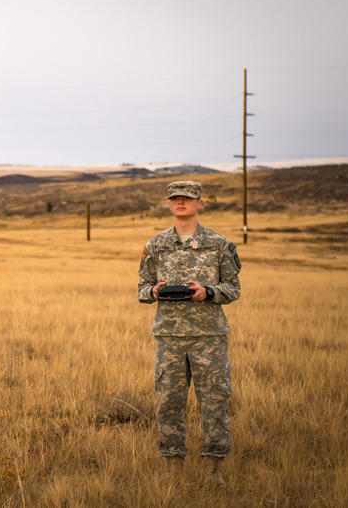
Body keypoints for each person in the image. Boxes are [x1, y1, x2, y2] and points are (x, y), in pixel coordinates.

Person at [137, 180, 241, 488]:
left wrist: (208, 292)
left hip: (209, 337)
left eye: (188, 198)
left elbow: (233, 288)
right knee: (168, 401)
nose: (181, 202)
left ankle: (214, 471)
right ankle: (173, 469)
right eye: (175, 198)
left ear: (200, 204)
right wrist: (153, 291)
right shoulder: (155, 246)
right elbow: (141, 289)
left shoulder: (219, 244)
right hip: (169, 337)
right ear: (169, 205)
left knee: (214, 402)